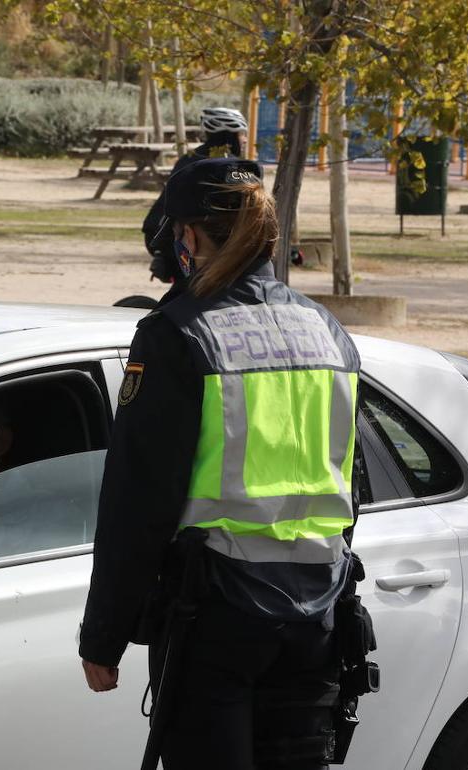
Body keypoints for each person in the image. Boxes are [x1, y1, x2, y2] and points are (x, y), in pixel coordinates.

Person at [80, 157, 366, 769]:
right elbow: (350, 478)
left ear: (188, 235)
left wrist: (104, 635)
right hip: (318, 611)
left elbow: (139, 497)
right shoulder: (326, 329)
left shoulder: (178, 333)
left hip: (217, 615)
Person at [141, 107, 250, 286]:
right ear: (229, 135)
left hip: (161, 235)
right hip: (191, 241)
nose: (245, 139)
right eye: (241, 134)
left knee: (186, 289)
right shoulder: (232, 167)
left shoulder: (189, 159)